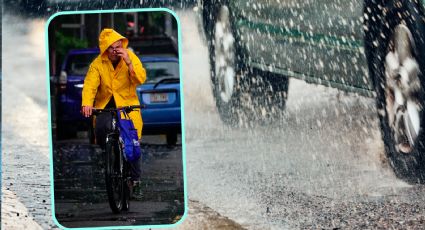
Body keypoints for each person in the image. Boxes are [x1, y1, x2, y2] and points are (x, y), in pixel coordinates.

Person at [81, 28, 146, 184]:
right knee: (102, 128)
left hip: (127, 105)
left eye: (118, 46)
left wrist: (129, 63)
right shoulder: (97, 64)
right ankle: (111, 154)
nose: (116, 50)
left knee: (132, 141)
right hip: (106, 105)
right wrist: (87, 103)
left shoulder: (129, 57)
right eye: (112, 47)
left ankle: (135, 179)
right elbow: (90, 85)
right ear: (105, 49)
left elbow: (140, 79)